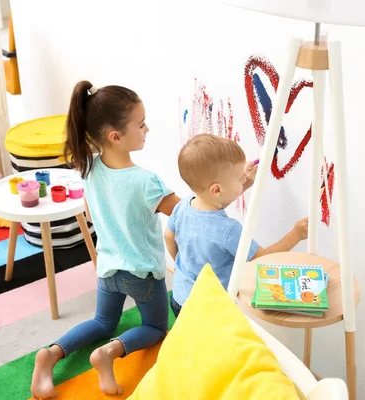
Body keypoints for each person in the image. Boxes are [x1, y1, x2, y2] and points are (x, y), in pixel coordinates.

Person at [30, 81, 180, 399]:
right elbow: (184, 216)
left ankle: (51, 354)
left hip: (107, 270)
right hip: (144, 276)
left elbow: (90, 211)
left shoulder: (89, 167)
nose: (147, 129)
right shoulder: (146, 182)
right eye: (141, 125)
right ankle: (110, 353)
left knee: (102, 321)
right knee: (156, 328)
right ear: (115, 136)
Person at [164, 134, 308, 317]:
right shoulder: (229, 230)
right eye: (240, 178)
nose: (243, 179)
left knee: (192, 344)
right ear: (217, 190)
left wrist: (243, 184)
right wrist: (294, 235)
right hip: (209, 310)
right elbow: (261, 259)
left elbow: (169, 237)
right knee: (215, 346)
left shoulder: (182, 207)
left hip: (180, 298)